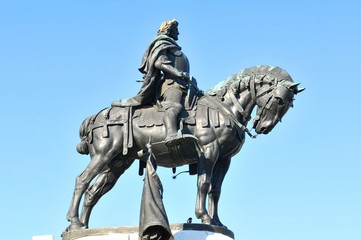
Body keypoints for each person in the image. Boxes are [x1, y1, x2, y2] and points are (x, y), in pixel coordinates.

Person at [112, 19, 190, 143]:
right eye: (176, 30)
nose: (178, 33)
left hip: (184, 85)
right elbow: (159, 62)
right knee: (174, 106)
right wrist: (178, 73)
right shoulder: (162, 43)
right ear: (169, 30)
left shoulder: (172, 45)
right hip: (171, 85)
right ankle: (171, 134)